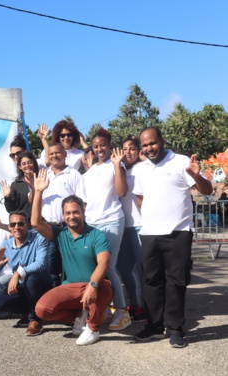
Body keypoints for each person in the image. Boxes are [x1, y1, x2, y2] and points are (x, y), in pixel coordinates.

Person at [132, 126, 213, 348]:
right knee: (151, 282)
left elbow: (207, 190)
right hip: (149, 234)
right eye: (145, 145)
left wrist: (196, 175)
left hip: (178, 233)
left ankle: (176, 329)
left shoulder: (181, 162)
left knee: (176, 282)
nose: (149, 148)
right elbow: (140, 197)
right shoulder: (140, 169)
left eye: (152, 143)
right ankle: (155, 326)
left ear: (162, 140)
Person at [32, 169, 113, 346]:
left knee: (105, 286)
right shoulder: (60, 234)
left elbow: (104, 262)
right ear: (63, 215)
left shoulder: (96, 235)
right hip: (70, 288)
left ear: (83, 210)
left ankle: (93, 328)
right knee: (42, 310)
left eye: (75, 212)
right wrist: (38, 192)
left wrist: (92, 285)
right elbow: (36, 223)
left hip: (94, 287)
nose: (72, 216)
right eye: (67, 213)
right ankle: (79, 316)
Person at [83, 127, 131, 331]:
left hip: (111, 220)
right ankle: (103, 308)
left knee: (109, 266)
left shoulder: (116, 165)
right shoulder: (89, 172)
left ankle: (122, 311)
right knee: (95, 269)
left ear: (109, 145)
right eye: (95, 146)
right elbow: (86, 202)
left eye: (103, 145)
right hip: (92, 222)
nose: (99, 149)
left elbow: (121, 191)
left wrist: (117, 164)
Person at [0, 211, 51, 336]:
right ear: (9, 226)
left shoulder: (39, 238)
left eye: (21, 223)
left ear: (27, 224)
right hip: (23, 286)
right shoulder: (6, 245)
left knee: (31, 278)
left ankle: (35, 319)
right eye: (13, 224)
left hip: (41, 284)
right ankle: (28, 310)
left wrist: (17, 273)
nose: (17, 227)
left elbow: (41, 264)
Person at [117, 135, 147, 322]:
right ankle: (135, 304)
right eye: (125, 148)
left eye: (132, 148)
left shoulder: (143, 169)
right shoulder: (118, 170)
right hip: (122, 227)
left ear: (139, 151)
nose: (128, 152)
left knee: (144, 270)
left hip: (140, 226)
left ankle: (148, 307)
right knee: (124, 269)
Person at [40, 143, 87, 226]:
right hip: (46, 226)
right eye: (51, 154)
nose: (54, 156)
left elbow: (82, 202)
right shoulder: (44, 175)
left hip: (68, 226)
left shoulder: (74, 175)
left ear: (65, 154)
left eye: (57, 152)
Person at [0, 151, 38, 221]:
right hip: (26, 224)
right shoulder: (16, 185)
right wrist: (7, 197)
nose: (27, 165)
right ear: (20, 167)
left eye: (30, 162)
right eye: (24, 164)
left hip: (42, 223)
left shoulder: (42, 180)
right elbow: (11, 210)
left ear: (34, 164)